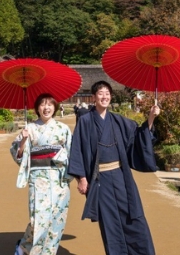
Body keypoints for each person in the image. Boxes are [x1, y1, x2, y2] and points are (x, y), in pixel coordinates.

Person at [68, 81, 160, 255]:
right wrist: (81, 178)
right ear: (94, 97)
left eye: (107, 93)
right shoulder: (85, 121)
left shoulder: (118, 120)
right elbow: (77, 149)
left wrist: (151, 117)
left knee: (133, 215)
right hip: (99, 179)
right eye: (101, 93)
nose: (105, 96)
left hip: (120, 176)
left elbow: (138, 136)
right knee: (109, 222)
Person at [10, 94, 73, 255]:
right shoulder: (29, 128)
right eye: (43, 104)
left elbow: (73, 153)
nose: (46, 108)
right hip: (38, 179)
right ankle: (25, 247)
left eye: (50, 104)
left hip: (59, 179)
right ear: (37, 108)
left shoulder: (63, 128)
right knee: (38, 219)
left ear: (55, 107)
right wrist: (23, 141)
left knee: (56, 218)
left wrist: (67, 167)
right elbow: (17, 153)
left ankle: (48, 252)